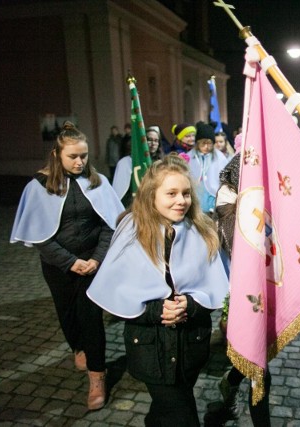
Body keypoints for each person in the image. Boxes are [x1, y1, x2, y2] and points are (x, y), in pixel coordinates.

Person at [87, 154, 229, 426]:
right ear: (152, 195)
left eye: (186, 193)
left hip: (190, 347)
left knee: (169, 408)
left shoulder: (202, 230)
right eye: (171, 193)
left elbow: (215, 286)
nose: (181, 200)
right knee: (183, 417)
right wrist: (156, 310)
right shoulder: (132, 230)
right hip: (151, 349)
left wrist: (191, 305)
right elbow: (118, 292)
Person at [9, 121, 124, 410]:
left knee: (91, 319)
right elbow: (39, 236)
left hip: (93, 265)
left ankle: (97, 376)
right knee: (67, 314)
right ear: (57, 155)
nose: (79, 162)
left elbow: (110, 225)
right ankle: (77, 346)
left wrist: (96, 259)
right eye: (73, 156)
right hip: (59, 266)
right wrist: (70, 262)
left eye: (84, 155)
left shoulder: (98, 181)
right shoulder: (39, 186)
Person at [203, 151, 272, 427]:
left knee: (260, 361)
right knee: (261, 371)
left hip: (271, 286)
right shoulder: (228, 196)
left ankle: (230, 381)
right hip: (245, 291)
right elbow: (236, 243)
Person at [187, 122, 230, 215]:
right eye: (203, 143)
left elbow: (226, 176)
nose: (206, 147)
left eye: (209, 144)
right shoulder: (190, 157)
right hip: (195, 200)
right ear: (197, 143)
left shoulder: (219, 157)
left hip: (213, 201)